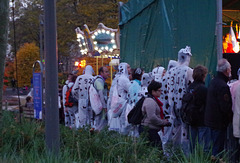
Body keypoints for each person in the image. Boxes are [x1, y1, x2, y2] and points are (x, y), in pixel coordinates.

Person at [167, 46, 193, 153]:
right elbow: (191, 88)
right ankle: (184, 155)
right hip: (184, 106)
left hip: (172, 105)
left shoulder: (171, 71)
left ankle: (174, 153)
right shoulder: (188, 71)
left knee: (176, 129)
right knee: (185, 132)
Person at [205, 58, 233, 157]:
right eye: (230, 68)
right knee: (218, 150)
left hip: (211, 121)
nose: (230, 70)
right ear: (226, 70)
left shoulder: (214, 82)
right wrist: (229, 118)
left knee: (213, 148)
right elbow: (225, 107)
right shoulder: (223, 86)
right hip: (219, 123)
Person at [140, 80, 171, 147]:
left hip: (150, 129)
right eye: (159, 90)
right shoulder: (150, 101)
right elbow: (152, 117)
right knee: (157, 150)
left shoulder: (152, 100)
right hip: (149, 130)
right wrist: (163, 122)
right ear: (153, 91)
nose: (161, 92)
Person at [187, 65, 208, 152]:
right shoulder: (203, 89)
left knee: (192, 145)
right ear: (203, 75)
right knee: (202, 145)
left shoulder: (190, 87)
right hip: (202, 119)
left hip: (191, 119)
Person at [108, 62, 131, 133]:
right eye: (128, 67)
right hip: (122, 103)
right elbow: (130, 90)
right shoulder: (124, 79)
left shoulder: (117, 78)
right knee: (123, 122)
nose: (130, 69)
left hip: (117, 103)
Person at [93, 66, 110, 131]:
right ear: (101, 73)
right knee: (101, 122)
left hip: (98, 104)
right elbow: (101, 94)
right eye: (106, 72)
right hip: (100, 105)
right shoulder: (99, 81)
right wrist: (104, 106)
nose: (108, 73)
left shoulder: (98, 80)